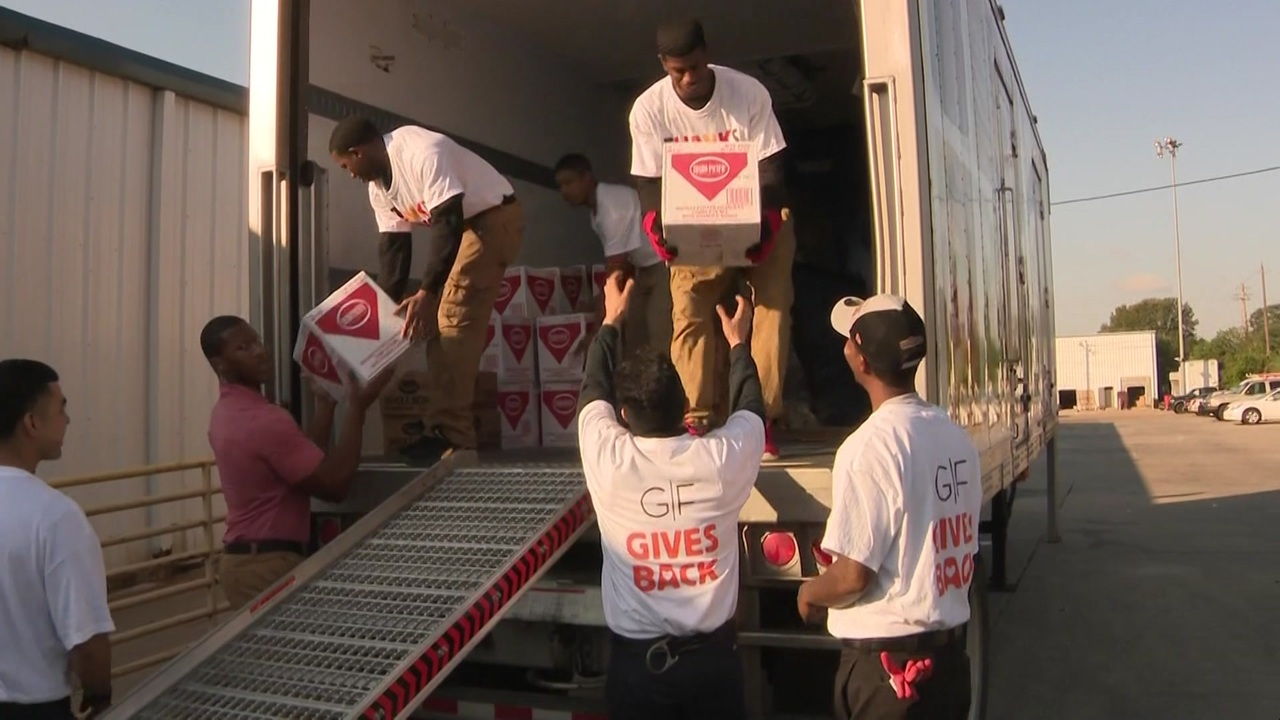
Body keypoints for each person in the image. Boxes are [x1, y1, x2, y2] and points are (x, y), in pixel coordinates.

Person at [576, 271, 765, 720]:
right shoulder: (720, 461)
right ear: (685, 407)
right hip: (712, 667)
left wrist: (612, 319)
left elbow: (592, 389)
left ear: (624, 415)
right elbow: (751, 410)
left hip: (637, 672)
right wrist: (738, 344)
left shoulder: (608, 459)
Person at [796, 294, 981, 720]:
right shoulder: (955, 436)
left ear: (860, 361)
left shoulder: (869, 448)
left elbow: (852, 577)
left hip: (888, 677)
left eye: (849, 339)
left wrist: (809, 593)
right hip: (947, 669)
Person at [627, 18, 796, 460]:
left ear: (708, 54)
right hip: (694, 223)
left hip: (758, 212)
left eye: (696, 66)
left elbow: (773, 169)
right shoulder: (648, 110)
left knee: (771, 309)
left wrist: (767, 226)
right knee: (690, 312)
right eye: (677, 70)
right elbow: (648, 181)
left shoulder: (748, 94)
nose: (689, 77)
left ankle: (761, 421)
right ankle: (696, 418)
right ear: (664, 65)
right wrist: (655, 227)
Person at [329, 116, 524, 463]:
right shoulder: (378, 190)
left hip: (492, 219)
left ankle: (455, 438)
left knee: (453, 316)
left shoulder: (422, 152)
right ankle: (443, 427)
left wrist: (427, 292)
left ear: (358, 153)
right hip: (463, 228)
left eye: (346, 165)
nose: (350, 174)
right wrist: (381, 313)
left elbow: (447, 220)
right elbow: (394, 251)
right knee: (435, 325)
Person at [200, 315, 392, 610]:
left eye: (257, 341)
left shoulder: (228, 412)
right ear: (220, 365)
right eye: (243, 347)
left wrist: (326, 405)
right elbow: (334, 484)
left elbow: (302, 460)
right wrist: (357, 406)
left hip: (249, 563)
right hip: (266, 566)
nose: (259, 351)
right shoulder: (263, 420)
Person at [0, 359, 115, 720]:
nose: (67, 419)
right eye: (61, 408)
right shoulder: (55, 516)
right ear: (31, 423)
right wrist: (99, 692)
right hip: (32, 709)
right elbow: (86, 638)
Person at [554, 152, 674, 357]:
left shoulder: (611, 206)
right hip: (641, 270)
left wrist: (598, 327)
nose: (565, 191)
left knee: (659, 332)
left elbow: (615, 269)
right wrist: (597, 302)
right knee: (634, 335)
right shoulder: (597, 211)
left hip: (663, 266)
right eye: (561, 186)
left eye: (569, 182)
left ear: (587, 178)